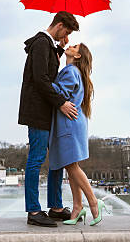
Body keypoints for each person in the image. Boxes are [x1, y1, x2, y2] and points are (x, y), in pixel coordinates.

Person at [18, 11, 79, 227]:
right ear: (60, 25)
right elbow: (42, 79)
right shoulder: (42, 44)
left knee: (55, 160)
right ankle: (34, 211)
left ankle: (55, 207)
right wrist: (62, 102)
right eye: (67, 31)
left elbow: (49, 72)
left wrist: (61, 48)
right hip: (38, 110)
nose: (68, 35)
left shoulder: (47, 45)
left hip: (45, 109)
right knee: (36, 159)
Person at [49, 43, 109, 226]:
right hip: (73, 124)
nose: (70, 45)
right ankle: (77, 207)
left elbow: (60, 93)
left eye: (74, 46)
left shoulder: (70, 72)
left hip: (68, 125)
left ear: (78, 56)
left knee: (72, 167)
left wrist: (42, 80)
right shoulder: (73, 72)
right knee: (71, 166)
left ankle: (93, 201)